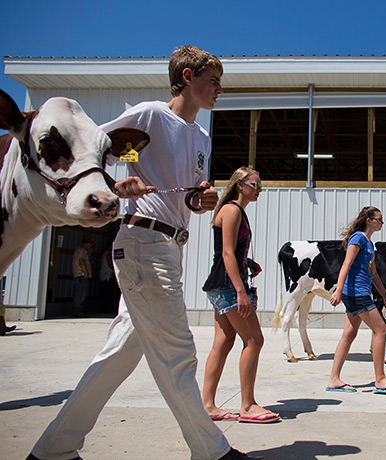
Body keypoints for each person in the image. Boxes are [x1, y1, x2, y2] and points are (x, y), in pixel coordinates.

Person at [28, 46, 264, 460]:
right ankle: (212, 451)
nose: (219, 91)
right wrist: (118, 184)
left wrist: (201, 199)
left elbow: (189, 194)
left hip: (170, 245)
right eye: (213, 82)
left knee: (119, 355)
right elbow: (100, 149)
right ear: (188, 77)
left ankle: (54, 449)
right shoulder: (151, 115)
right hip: (144, 242)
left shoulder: (201, 136)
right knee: (178, 351)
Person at [201, 167, 280, 424]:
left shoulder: (235, 211)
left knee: (223, 342)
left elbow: (231, 252)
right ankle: (247, 406)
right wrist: (240, 291)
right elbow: (225, 254)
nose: (259, 190)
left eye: (260, 186)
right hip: (227, 285)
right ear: (240, 185)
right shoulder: (233, 210)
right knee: (254, 340)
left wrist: (248, 263)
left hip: (222, 282)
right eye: (255, 185)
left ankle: (208, 405)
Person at [326, 206, 386, 395]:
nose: (381, 223)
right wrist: (337, 290)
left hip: (360, 292)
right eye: (379, 219)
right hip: (356, 293)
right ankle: (380, 379)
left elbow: (374, 273)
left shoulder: (369, 243)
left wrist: (385, 296)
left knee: (349, 334)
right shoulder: (358, 238)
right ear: (368, 220)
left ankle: (334, 380)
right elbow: (346, 264)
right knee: (381, 330)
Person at [72, 238, 94, 317]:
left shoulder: (80, 250)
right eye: (90, 246)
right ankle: (77, 311)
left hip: (80, 275)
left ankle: (78, 310)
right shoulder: (81, 250)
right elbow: (81, 261)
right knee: (80, 294)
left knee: (80, 293)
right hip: (80, 275)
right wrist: (85, 272)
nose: (89, 248)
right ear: (86, 244)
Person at [99, 243, 120, 313]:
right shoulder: (108, 254)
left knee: (105, 292)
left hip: (105, 275)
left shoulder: (105, 253)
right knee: (108, 293)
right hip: (107, 276)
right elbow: (110, 264)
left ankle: (105, 308)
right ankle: (107, 308)